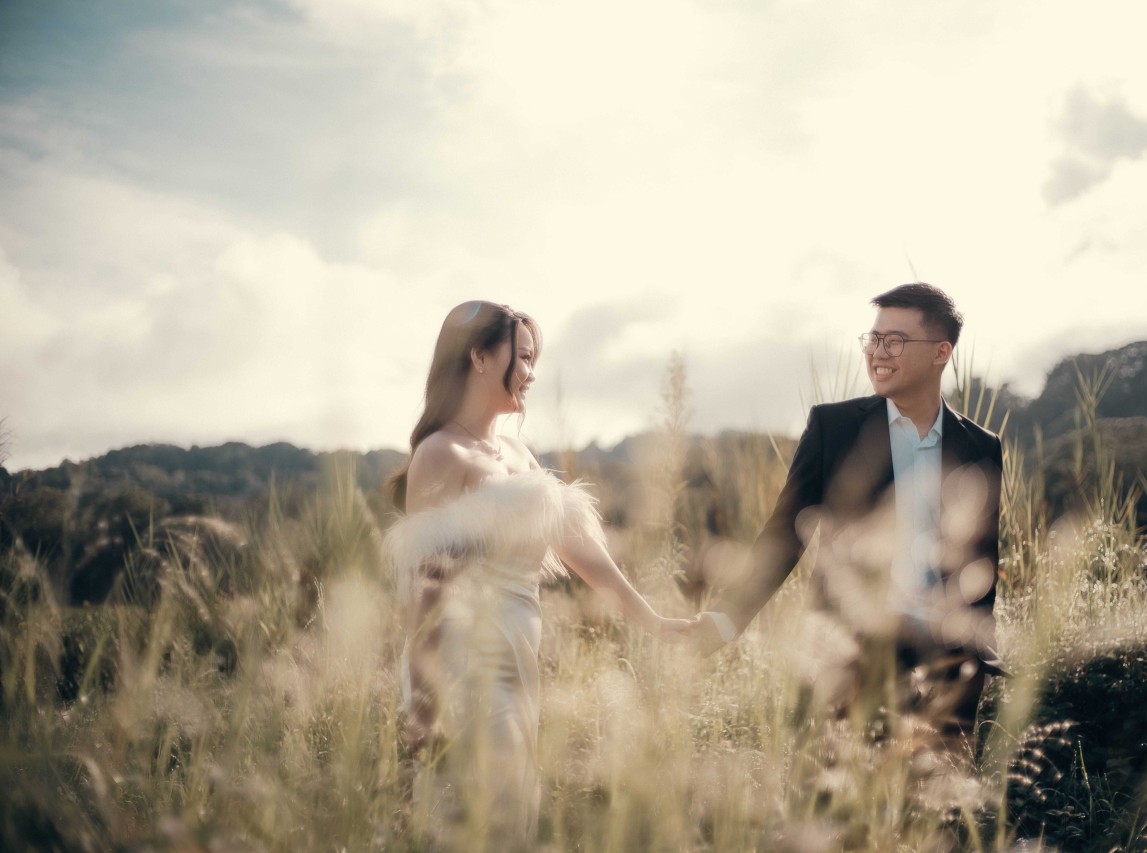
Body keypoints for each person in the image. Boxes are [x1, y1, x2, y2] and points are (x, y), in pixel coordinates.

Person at [383, 300, 690, 849]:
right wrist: (425, 708)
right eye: (522, 357)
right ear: (479, 357)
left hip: (521, 666)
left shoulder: (519, 454)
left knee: (516, 814)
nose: (530, 372)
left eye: (533, 359)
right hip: (467, 667)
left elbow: (583, 550)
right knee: (483, 820)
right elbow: (425, 588)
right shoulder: (440, 453)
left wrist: (655, 621)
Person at [688, 283, 1004, 739]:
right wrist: (724, 620)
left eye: (895, 341)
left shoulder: (981, 446)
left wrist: (972, 670)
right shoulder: (833, 428)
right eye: (873, 339)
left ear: (941, 352)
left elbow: (981, 570)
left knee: (933, 789)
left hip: (942, 673)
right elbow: (783, 537)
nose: (878, 353)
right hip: (842, 664)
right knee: (829, 784)